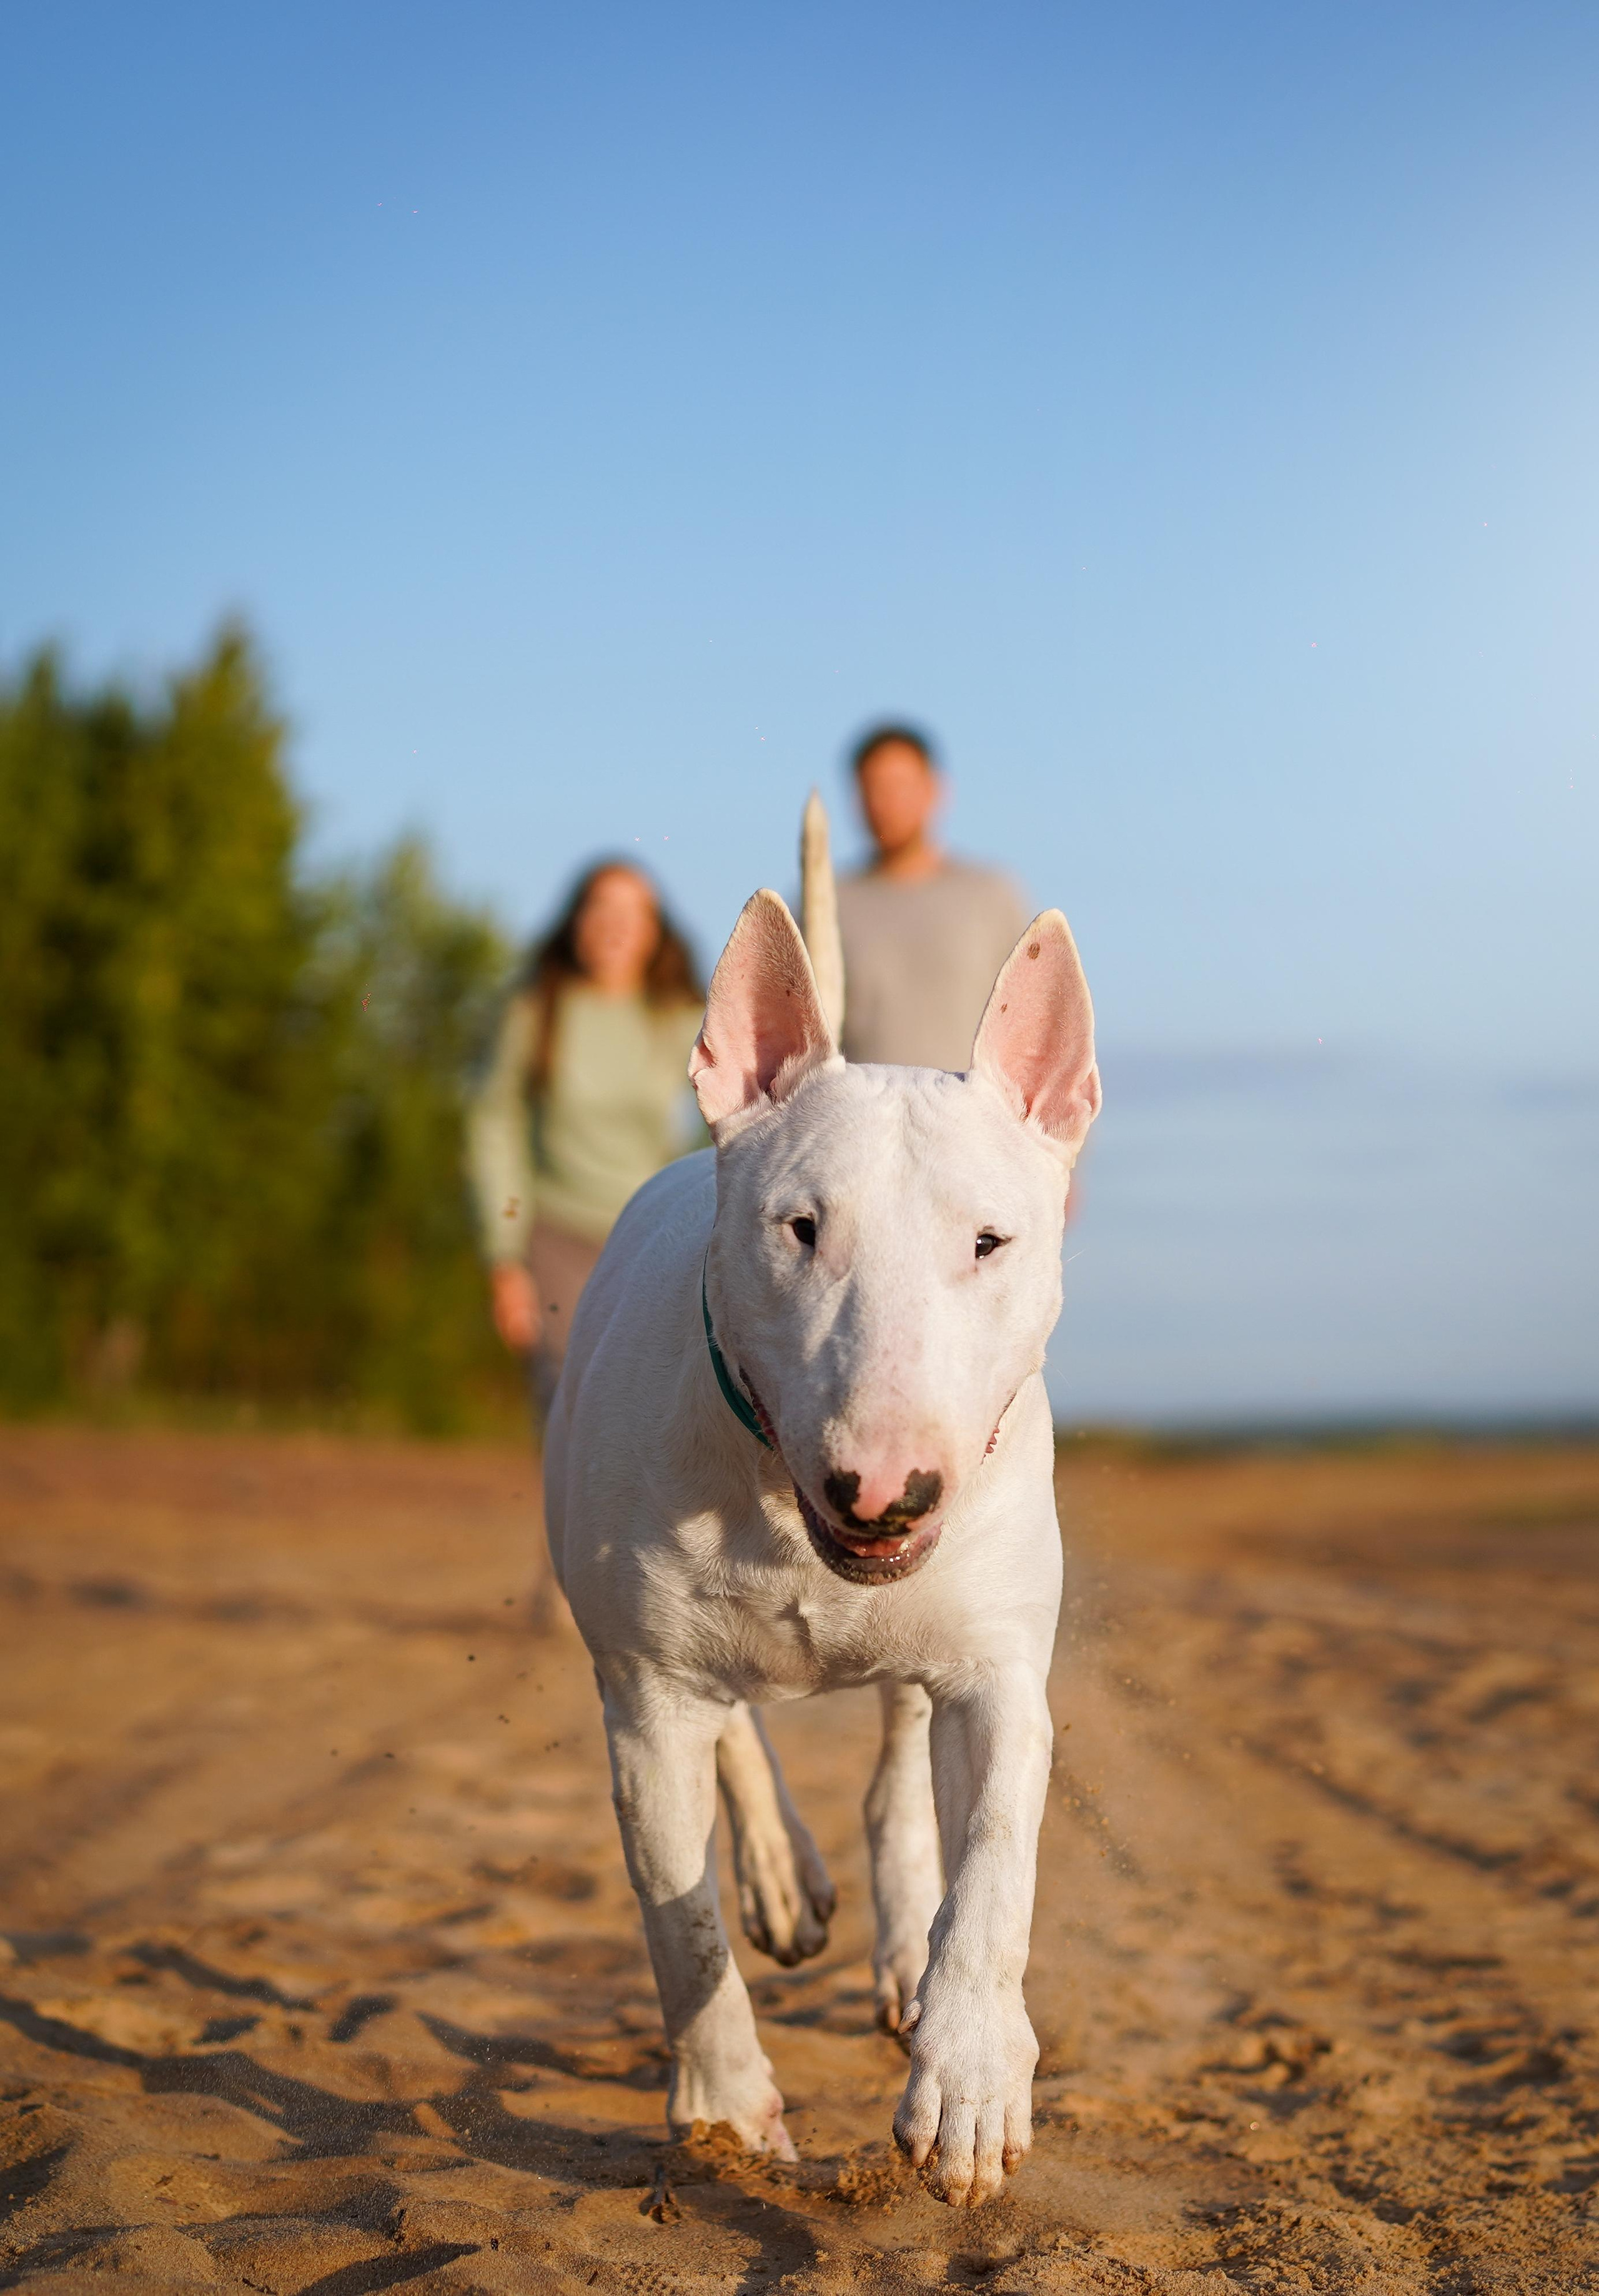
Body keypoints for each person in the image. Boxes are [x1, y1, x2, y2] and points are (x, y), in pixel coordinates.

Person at [467, 859, 704, 1414]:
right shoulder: (533, 1012)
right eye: (601, 906)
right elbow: (492, 1124)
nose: (615, 924)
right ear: (576, 920)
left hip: (653, 1237)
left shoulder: (681, 1020)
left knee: (650, 1409)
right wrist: (504, 1257)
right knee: (569, 1405)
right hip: (556, 1238)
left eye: (633, 911)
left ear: (654, 931)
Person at [835, 723, 1028, 1070]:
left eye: (900, 787)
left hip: (970, 1120)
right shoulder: (827, 903)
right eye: (873, 788)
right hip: (862, 1120)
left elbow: (1032, 1016)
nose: (886, 803)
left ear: (935, 791)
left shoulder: (989, 896)